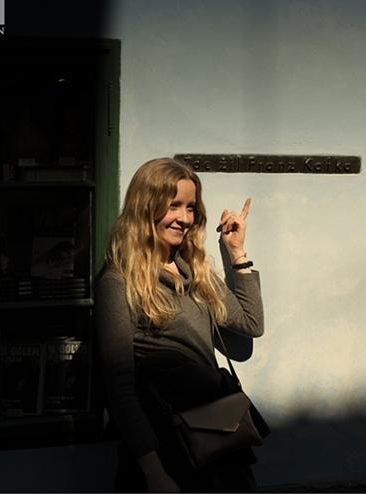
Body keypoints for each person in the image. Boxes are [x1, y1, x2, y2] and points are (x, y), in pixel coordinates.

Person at [95, 158, 264, 492]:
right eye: (174, 206)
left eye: (190, 208)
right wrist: (154, 474)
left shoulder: (194, 271)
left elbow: (250, 323)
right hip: (167, 453)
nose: (184, 218)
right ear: (145, 207)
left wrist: (237, 253)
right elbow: (120, 390)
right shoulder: (118, 283)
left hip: (218, 443)